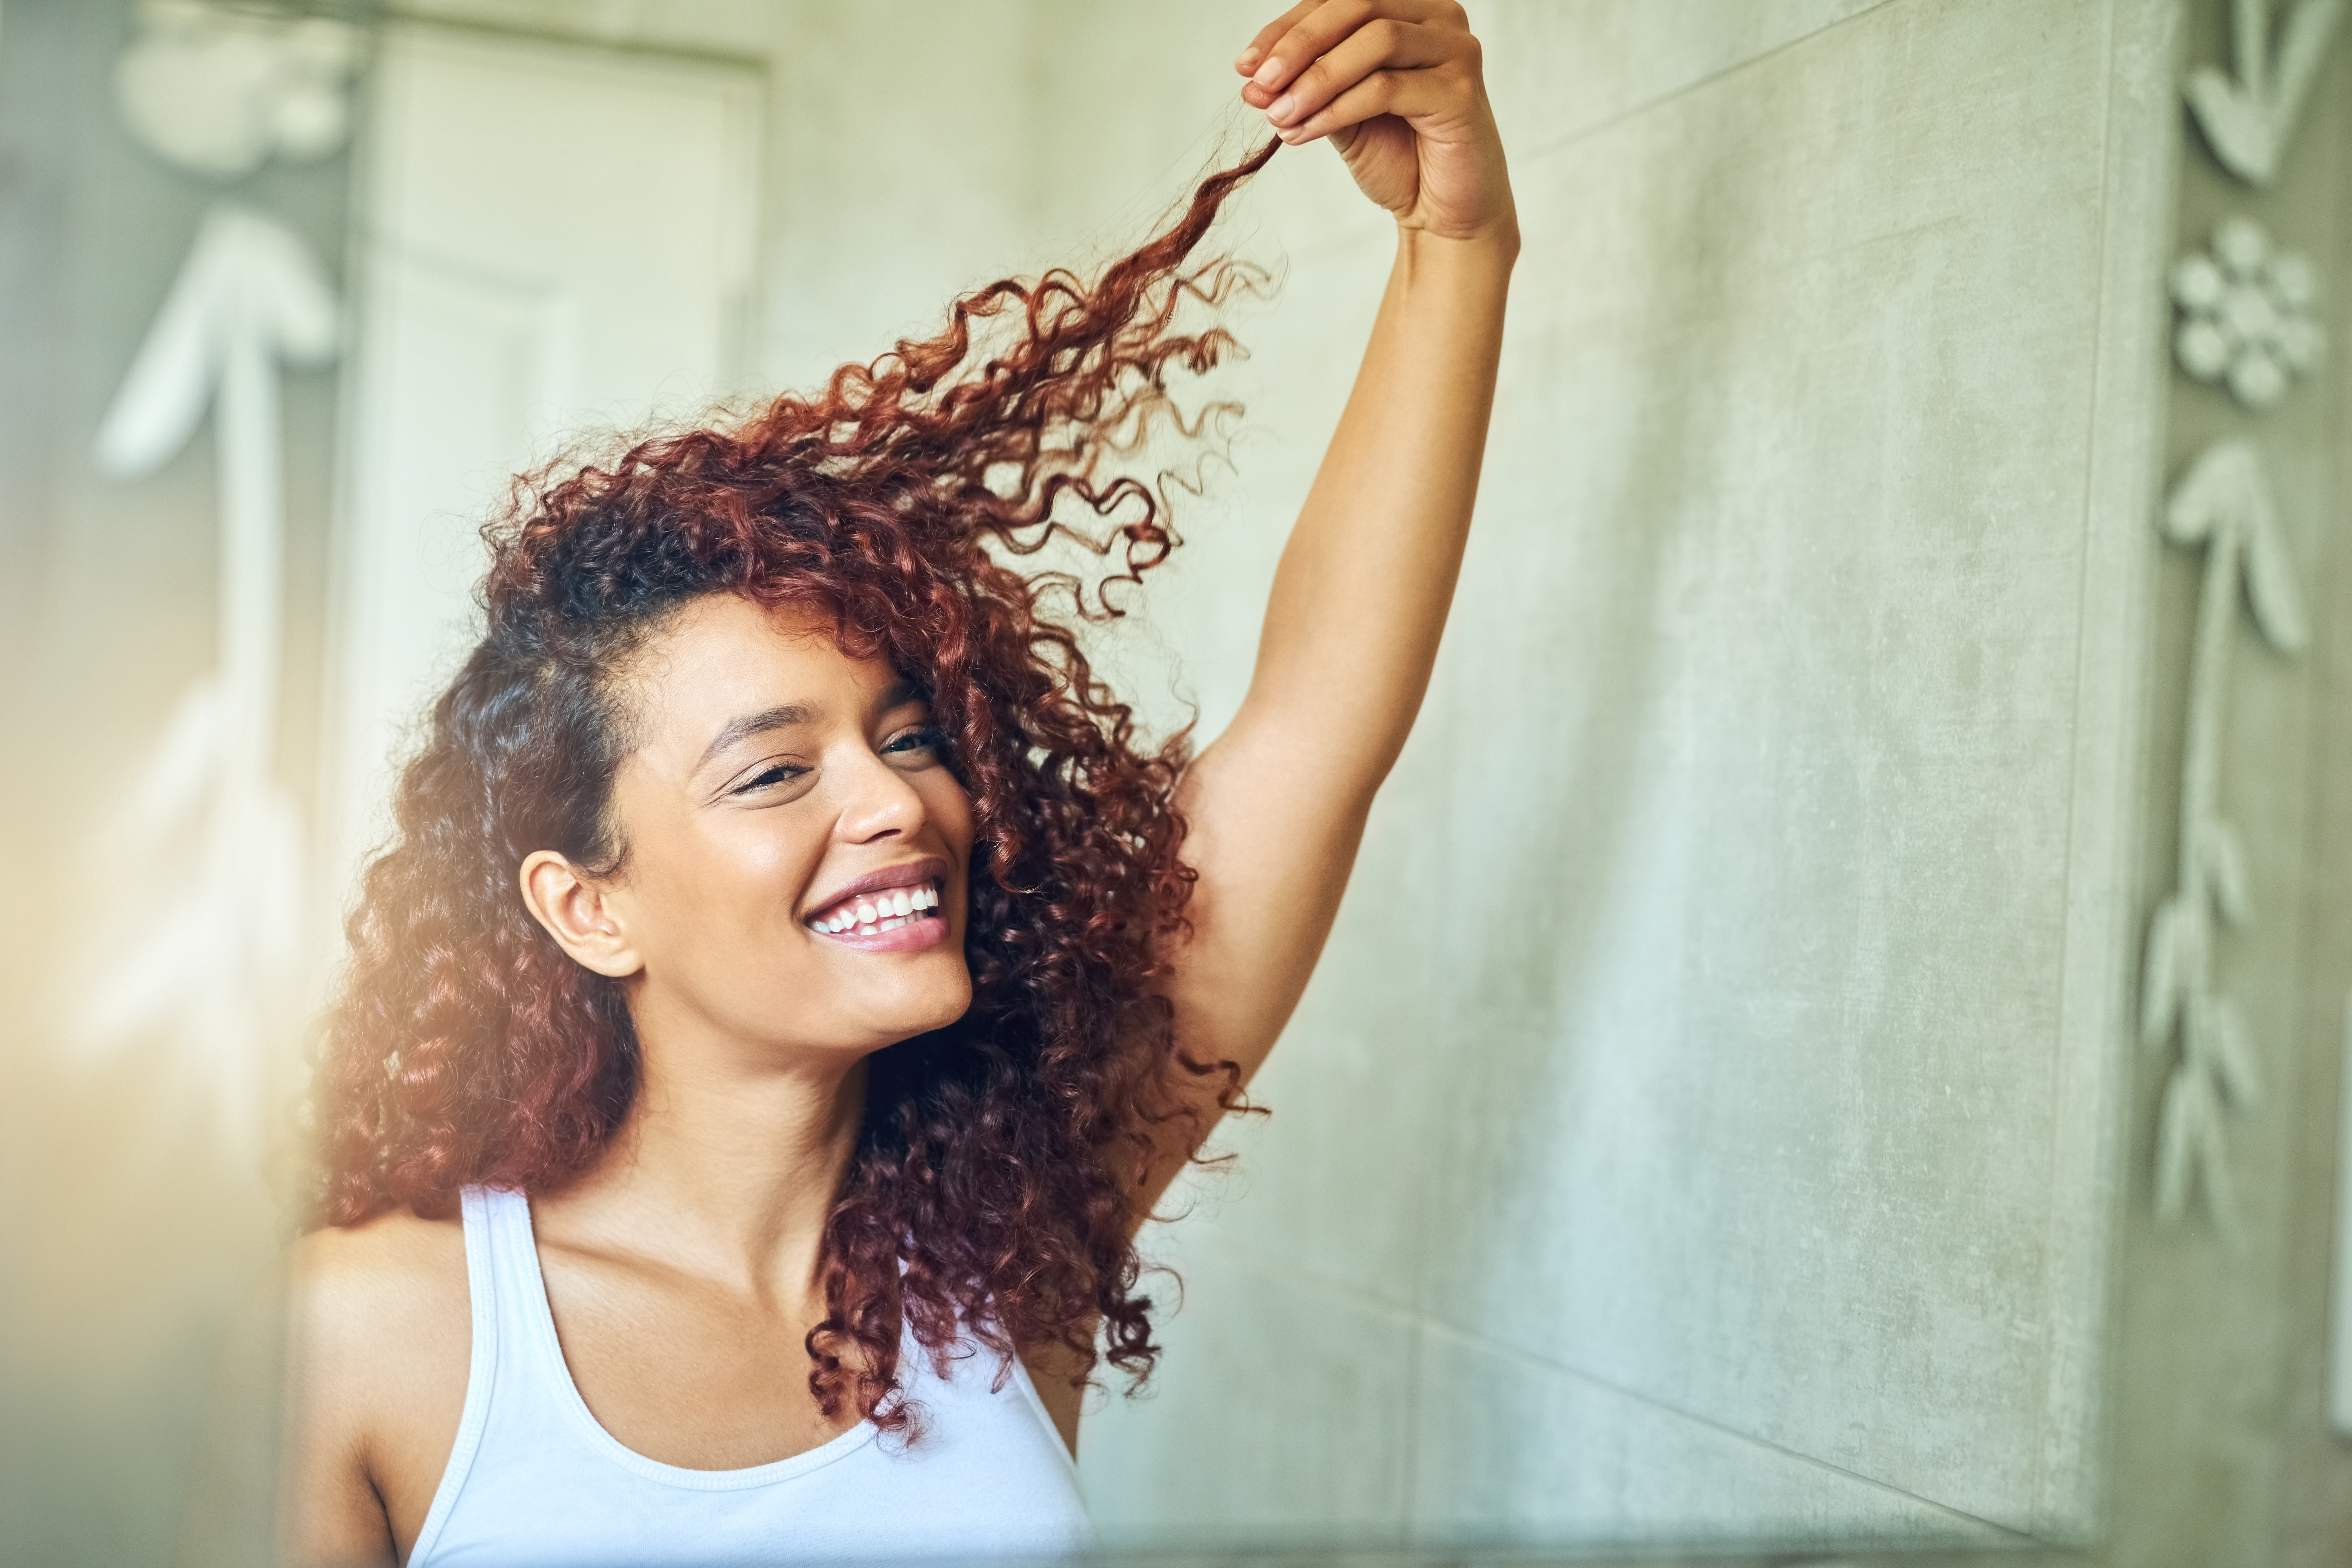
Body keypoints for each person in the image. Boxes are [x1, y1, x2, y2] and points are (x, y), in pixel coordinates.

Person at [282, 2, 1515, 1562]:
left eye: (908, 731)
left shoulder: (1005, 1247)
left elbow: (1316, 716)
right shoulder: (370, 1330)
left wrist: (1456, 242)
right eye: (774, 768)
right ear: (587, 904)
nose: (893, 804)